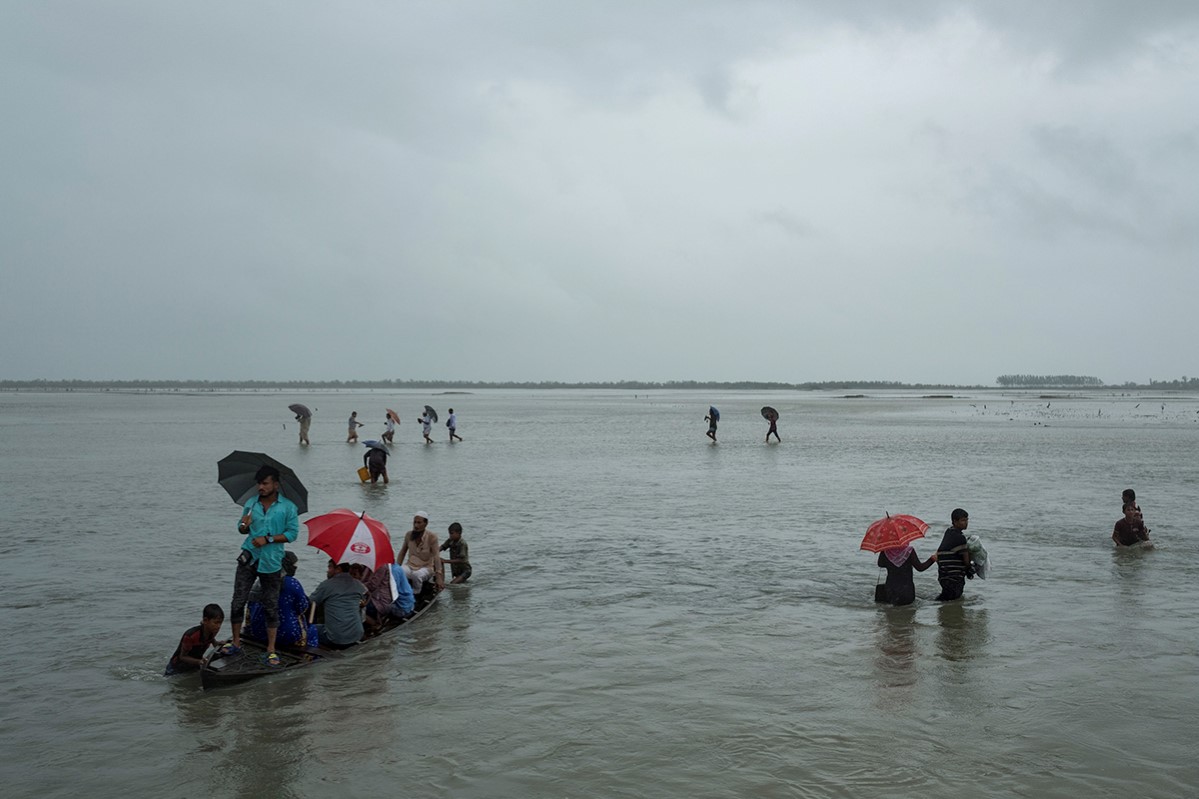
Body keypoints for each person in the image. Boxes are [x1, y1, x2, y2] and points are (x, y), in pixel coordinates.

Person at [218, 465, 300, 667]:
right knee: (238, 600)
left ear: (275, 484)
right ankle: (236, 642)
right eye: (259, 483)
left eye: (265, 483)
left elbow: (292, 534)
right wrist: (243, 527)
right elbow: (242, 528)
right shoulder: (251, 503)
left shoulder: (288, 507)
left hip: (271, 561)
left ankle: (271, 650)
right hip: (249, 558)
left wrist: (268, 539)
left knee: (271, 606)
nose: (260, 487)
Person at [247, 551, 317, 648]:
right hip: (285, 634)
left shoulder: (261, 580)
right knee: (312, 630)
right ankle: (312, 658)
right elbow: (302, 608)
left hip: (258, 631)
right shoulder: (292, 583)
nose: (295, 567)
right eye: (294, 565)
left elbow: (250, 605)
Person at [308, 560, 368, 648]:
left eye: (329, 567)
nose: (327, 571)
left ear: (338, 569)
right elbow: (363, 601)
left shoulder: (326, 585)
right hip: (356, 635)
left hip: (336, 638)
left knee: (308, 630)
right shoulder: (359, 585)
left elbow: (310, 601)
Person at [165, 604, 224, 675]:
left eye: (220, 623)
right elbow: (182, 657)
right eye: (216, 622)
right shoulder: (191, 636)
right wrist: (199, 661)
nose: (218, 626)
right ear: (205, 620)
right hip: (176, 667)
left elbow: (213, 641)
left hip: (194, 664)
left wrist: (220, 644)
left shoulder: (212, 631)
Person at [397, 511, 444, 594]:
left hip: (426, 567)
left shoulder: (432, 537)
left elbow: (436, 556)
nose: (416, 525)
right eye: (414, 522)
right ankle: (402, 592)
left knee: (416, 575)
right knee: (399, 571)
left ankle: (416, 593)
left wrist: (438, 575)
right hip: (410, 565)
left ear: (426, 523)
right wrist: (396, 567)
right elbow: (403, 552)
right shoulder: (409, 535)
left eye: (419, 523)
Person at [935, 508, 973, 602]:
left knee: (946, 599)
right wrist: (971, 568)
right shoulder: (960, 538)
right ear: (955, 521)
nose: (966, 522)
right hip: (954, 577)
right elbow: (966, 561)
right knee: (953, 601)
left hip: (943, 575)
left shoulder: (949, 532)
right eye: (963, 520)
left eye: (967, 520)